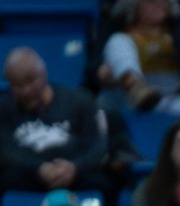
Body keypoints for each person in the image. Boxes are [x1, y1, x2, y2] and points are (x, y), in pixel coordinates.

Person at [0, 50, 107, 194]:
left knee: (104, 182)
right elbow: (5, 150)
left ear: (44, 74)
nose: (26, 91)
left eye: (31, 81)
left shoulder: (79, 100)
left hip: (75, 173)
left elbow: (97, 145)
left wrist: (74, 167)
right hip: (27, 176)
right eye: (17, 85)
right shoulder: (4, 108)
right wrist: (39, 168)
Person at [102, 0, 180, 116]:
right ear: (135, 8)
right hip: (131, 95)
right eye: (150, 2)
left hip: (172, 91)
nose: (157, 5)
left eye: (162, 1)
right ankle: (135, 86)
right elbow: (94, 71)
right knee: (117, 41)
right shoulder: (122, 35)